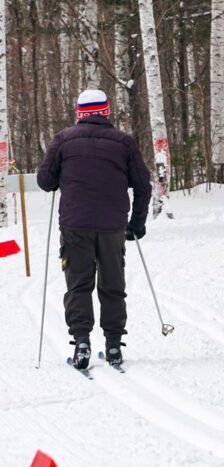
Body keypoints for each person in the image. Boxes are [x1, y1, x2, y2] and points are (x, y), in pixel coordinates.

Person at [37, 89, 152, 368]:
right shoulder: (124, 142)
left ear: (79, 112)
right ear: (106, 112)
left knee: (78, 284)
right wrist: (136, 224)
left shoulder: (63, 140)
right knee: (113, 283)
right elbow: (143, 186)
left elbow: (45, 181)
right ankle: (113, 345)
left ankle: (81, 342)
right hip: (112, 225)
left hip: (75, 224)